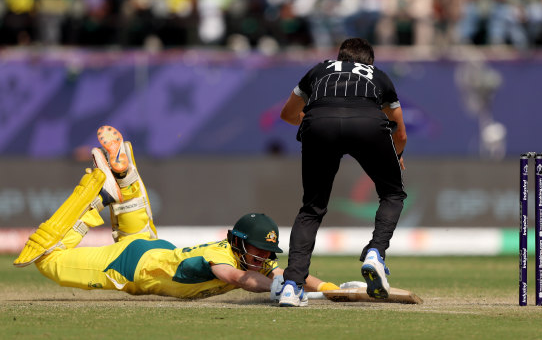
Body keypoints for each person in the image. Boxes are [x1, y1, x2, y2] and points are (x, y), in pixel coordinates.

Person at [14, 126, 337, 301]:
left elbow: (287, 273)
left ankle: (126, 178)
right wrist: (275, 289)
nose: (265, 257)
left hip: (152, 247)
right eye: (260, 250)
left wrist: (328, 289)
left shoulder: (250, 258)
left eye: (268, 251)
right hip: (130, 266)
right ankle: (97, 196)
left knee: (135, 233)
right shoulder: (222, 257)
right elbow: (239, 279)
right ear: (238, 244)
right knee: (47, 258)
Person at [278, 37, 407, 307]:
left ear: (340, 57)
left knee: (311, 208)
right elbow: (401, 133)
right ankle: (376, 252)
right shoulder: (379, 76)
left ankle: (291, 286)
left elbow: (288, 115)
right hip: (368, 124)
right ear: (368, 63)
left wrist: (319, 118)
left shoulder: (318, 70)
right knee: (392, 194)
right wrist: (397, 155)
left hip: (319, 123)